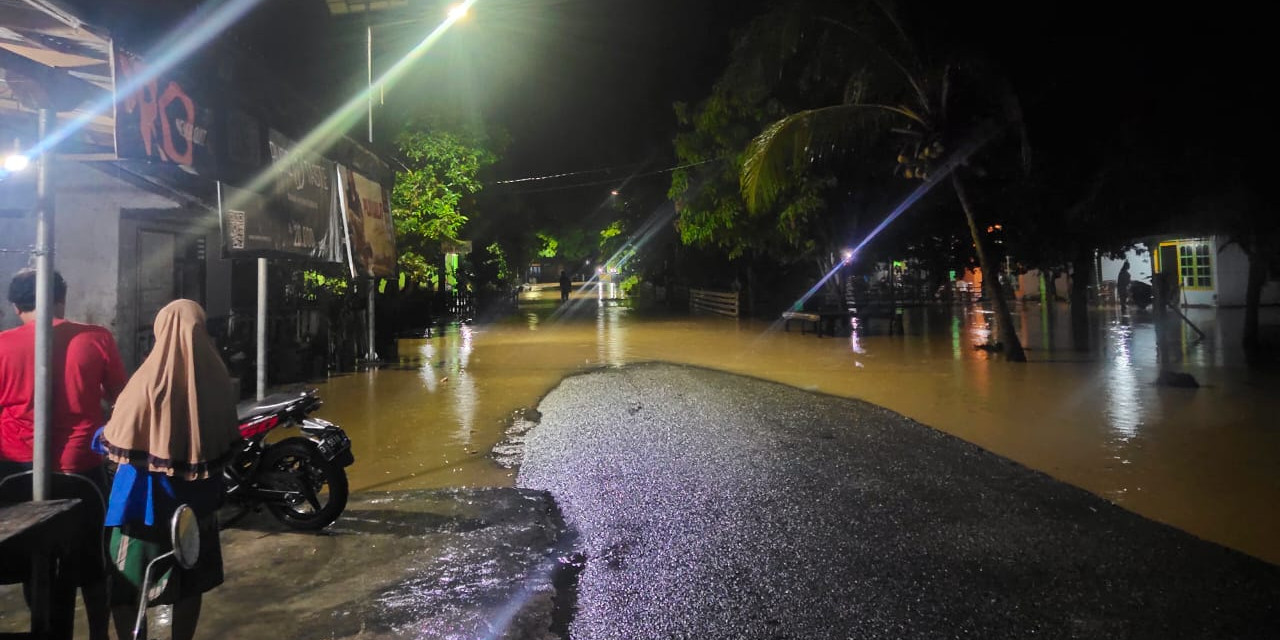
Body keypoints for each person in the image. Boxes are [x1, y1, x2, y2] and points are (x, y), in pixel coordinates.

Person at [100, 300, 242, 640]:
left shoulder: (145, 380)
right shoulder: (219, 378)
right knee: (191, 581)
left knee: (127, 587)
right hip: (197, 505)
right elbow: (228, 441)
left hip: (142, 507)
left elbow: (116, 439)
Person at [0, 269, 125, 640]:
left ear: (14, 305)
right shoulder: (96, 338)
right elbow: (121, 397)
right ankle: (99, 635)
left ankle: (43, 626)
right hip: (80, 469)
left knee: (29, 557)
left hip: (15, 468)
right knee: (94, 562)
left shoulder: (2, 344)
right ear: (61, 298)